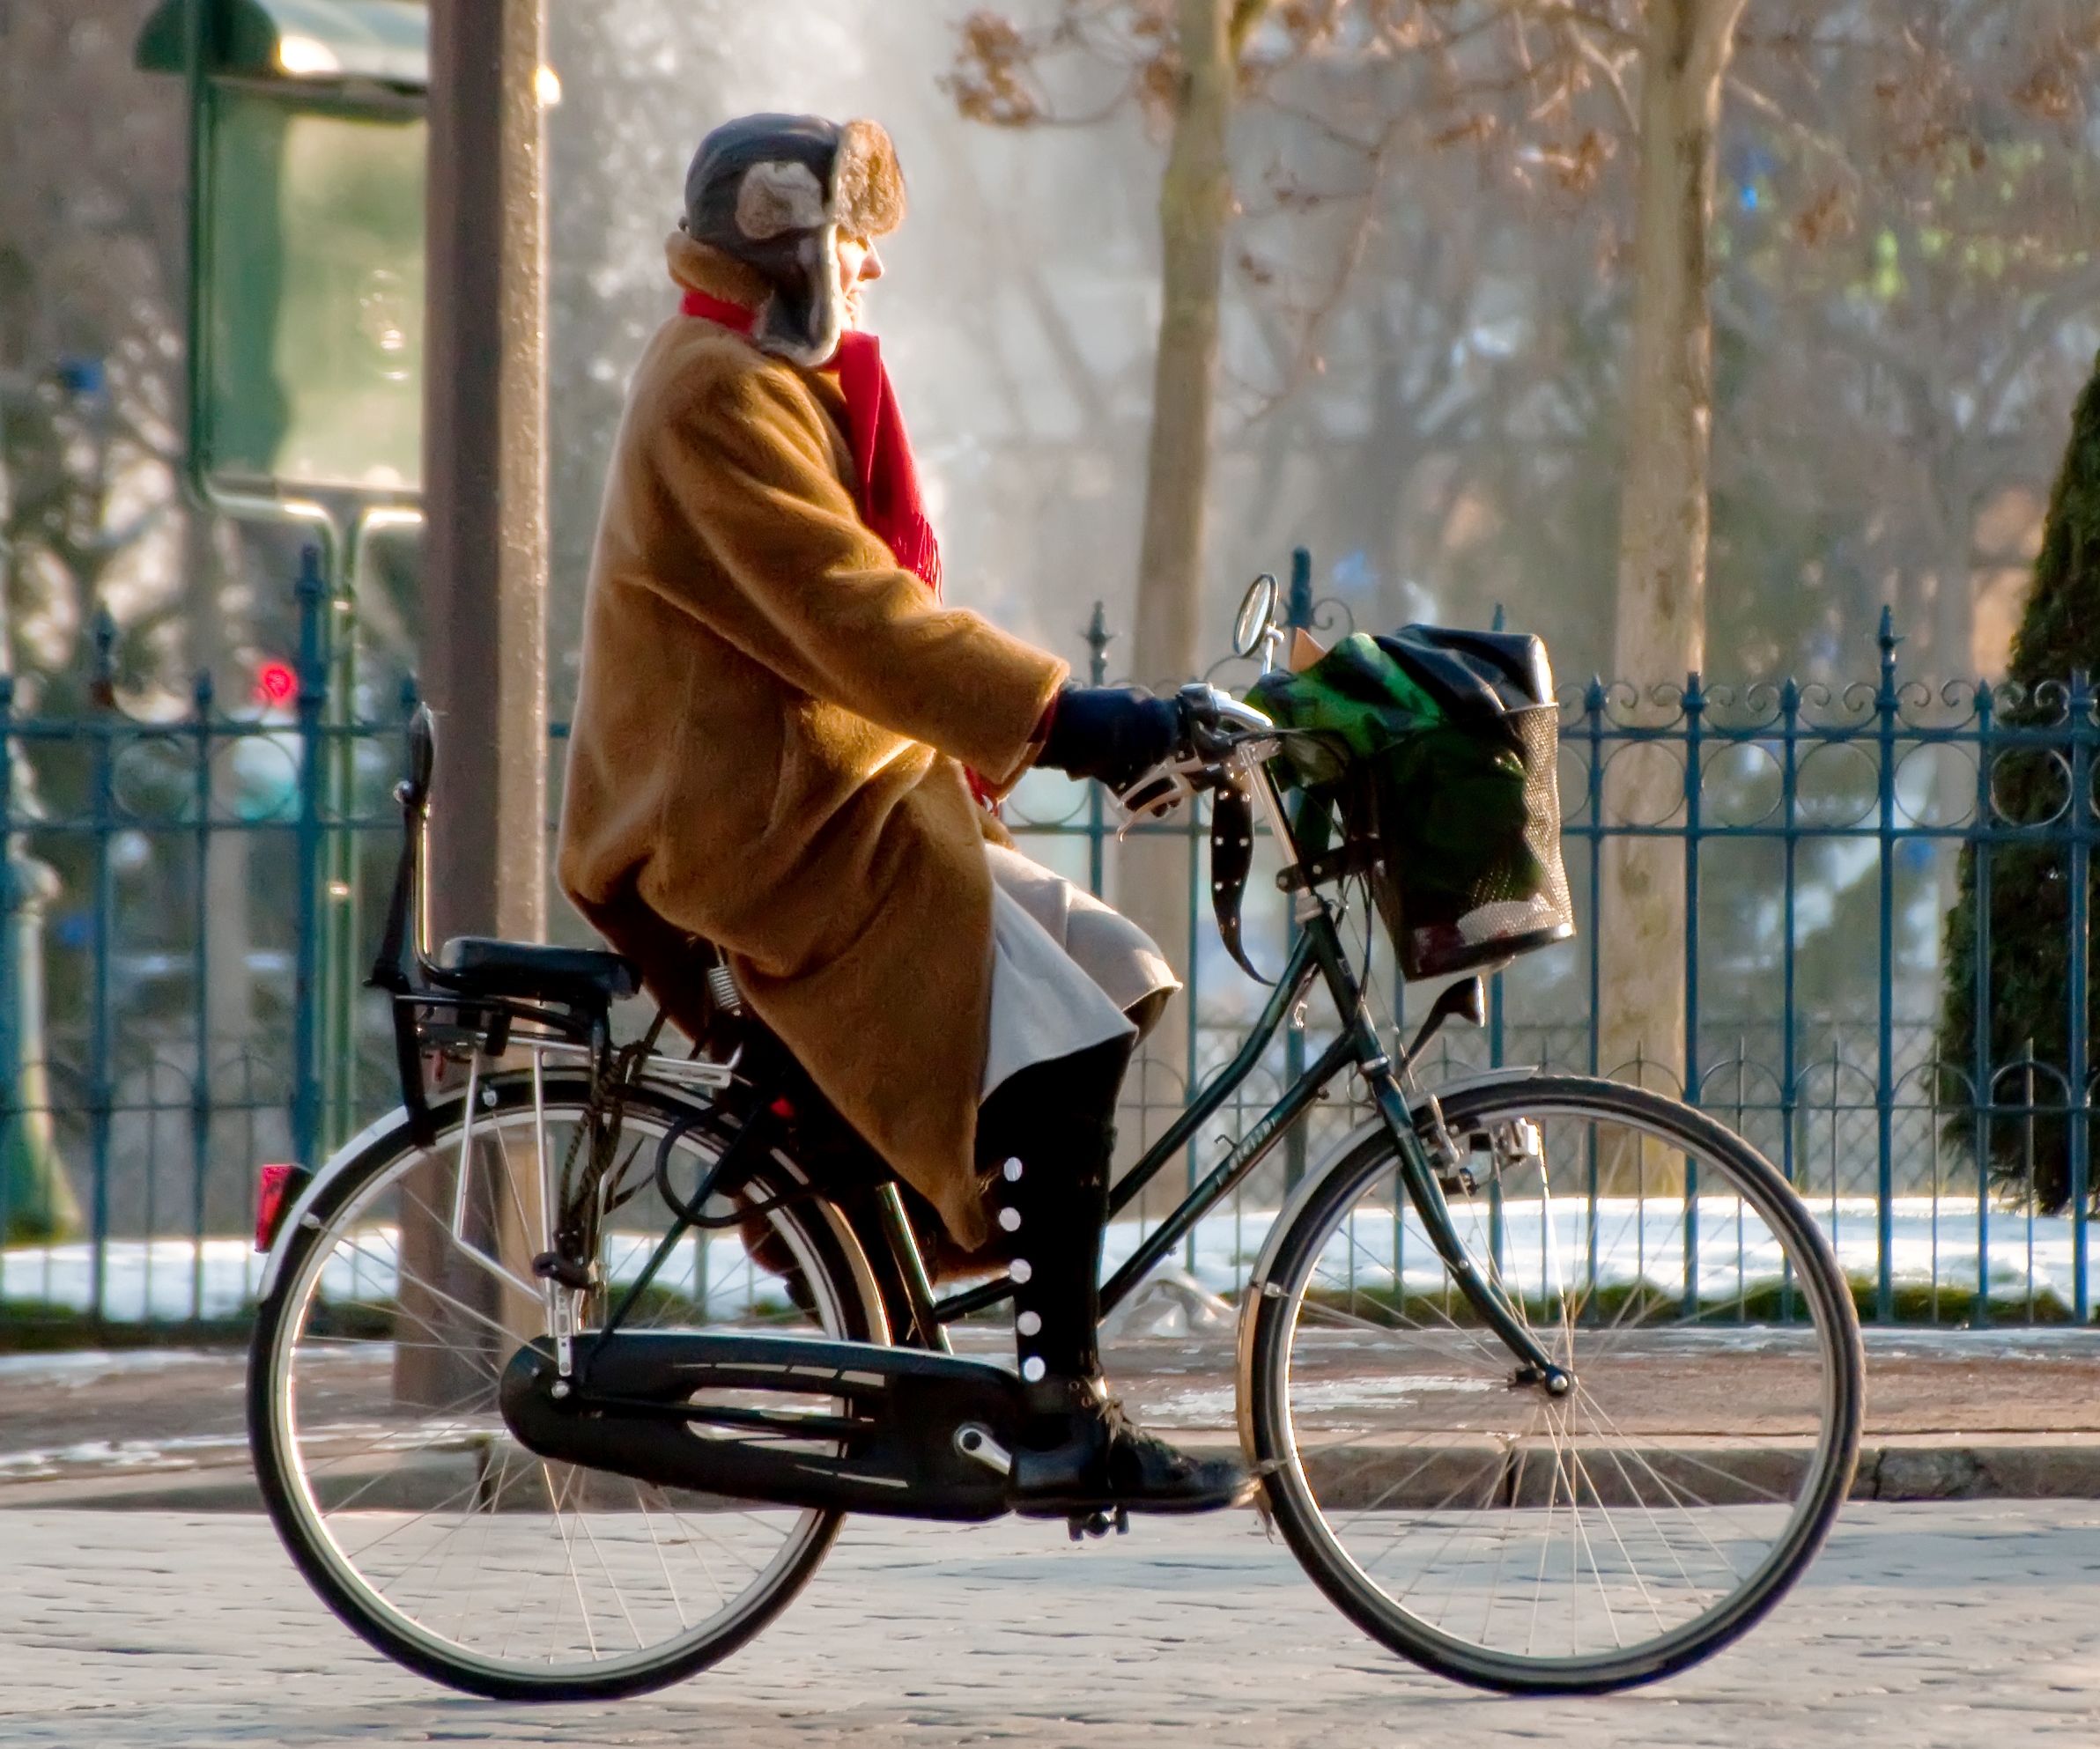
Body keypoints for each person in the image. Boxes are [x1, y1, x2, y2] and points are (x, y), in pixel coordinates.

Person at [558, 114, 1249, 1515]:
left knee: (1113, 973)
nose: (873, 270)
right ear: (794, 246)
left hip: (843, 796)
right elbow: (855, 616)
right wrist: (1076, 719)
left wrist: (1081, 728)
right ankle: (1060, 1411)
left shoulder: (753, 374)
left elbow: (870, 627)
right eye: (854, 243)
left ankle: (878, 1213)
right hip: (767, 830)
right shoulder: (715, 391)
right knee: (1065, 1026)